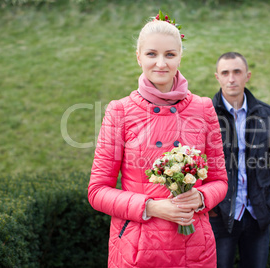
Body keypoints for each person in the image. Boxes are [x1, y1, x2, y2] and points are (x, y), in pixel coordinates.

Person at [88, 14, 228, 268]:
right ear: (139, 57)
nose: (161, 64)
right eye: (152, 54)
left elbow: (219, 181)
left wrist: (200, 198)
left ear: (180, 57)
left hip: (195, 250)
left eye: (170, 55)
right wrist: (151, 207)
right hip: (137, 251)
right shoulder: (120, 111)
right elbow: (97, 191)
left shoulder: (204, 108)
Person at [209, 52, 270, 268]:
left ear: (248, 76)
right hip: (220, 217)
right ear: (217, 77)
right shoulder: (205, 115)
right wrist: (211, 206)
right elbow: (196, 163)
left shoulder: (266, 114)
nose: (231, 78)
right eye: (225, 73)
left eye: (237, 72)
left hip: (257, 215)